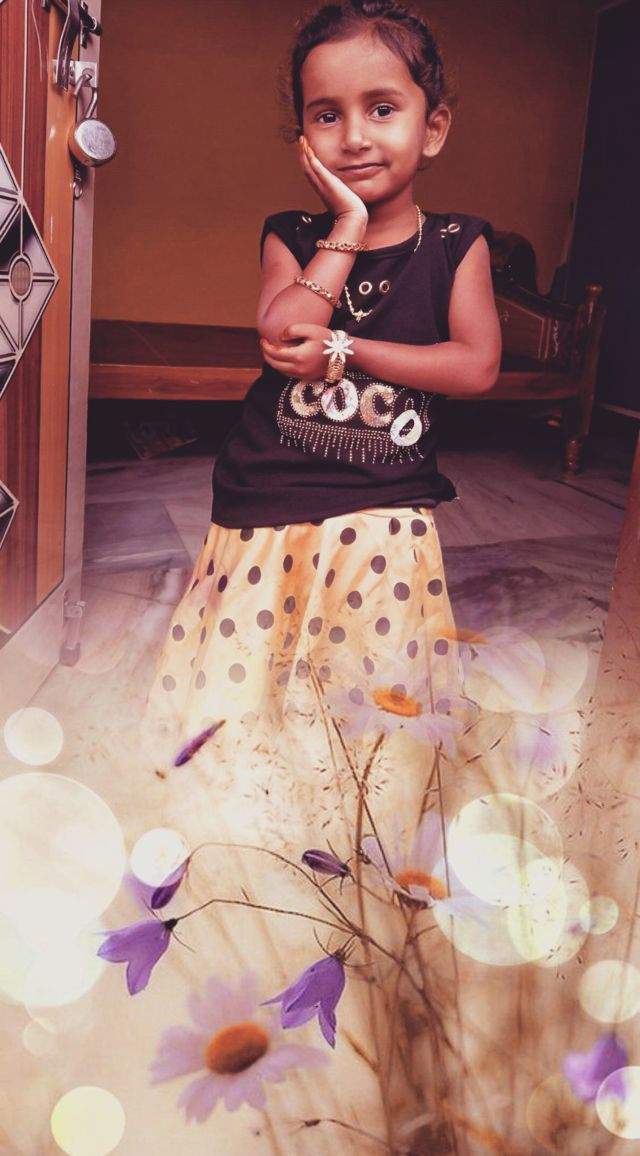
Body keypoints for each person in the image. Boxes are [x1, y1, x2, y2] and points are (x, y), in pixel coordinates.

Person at [144, 3, 501, 1148]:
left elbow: (472, 365)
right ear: (302, 135)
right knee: (240, 696)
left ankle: (349, 887)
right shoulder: (294, 230)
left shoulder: (459, 244)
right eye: (326, 114)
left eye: (381, 109)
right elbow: (281, 332)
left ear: (432, 126)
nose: (355, 134)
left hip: (383, 522)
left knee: (368, 717)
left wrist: (347, 346)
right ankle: (237, 866)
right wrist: (342, 228)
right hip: (264, 511)